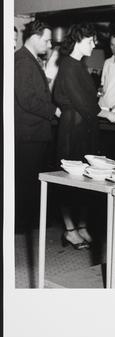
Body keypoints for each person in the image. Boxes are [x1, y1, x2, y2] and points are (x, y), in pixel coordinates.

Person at [54, 24, 115, 249]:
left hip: (85, 129)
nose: (94, 45)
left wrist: (103, 109)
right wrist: (107, 114)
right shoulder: (68, 66)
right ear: (79, 40)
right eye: (91, 40)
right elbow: (83, 103)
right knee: (69, 180)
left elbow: (88, 100)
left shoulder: (79, 65)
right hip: (72, 132)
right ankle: (70, 230)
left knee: (86, 179)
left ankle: (82, 226)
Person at [14, 20, 60, 232]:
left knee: (29, 180)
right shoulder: (23, 61)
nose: (49, 45)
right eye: (47, 40)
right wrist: (54, 111)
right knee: (25, 181)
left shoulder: (29, 59)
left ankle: (27, 222)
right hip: (29, 134)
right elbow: (27, 99)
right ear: (34, 37)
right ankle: (22, 225)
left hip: (33, 132)